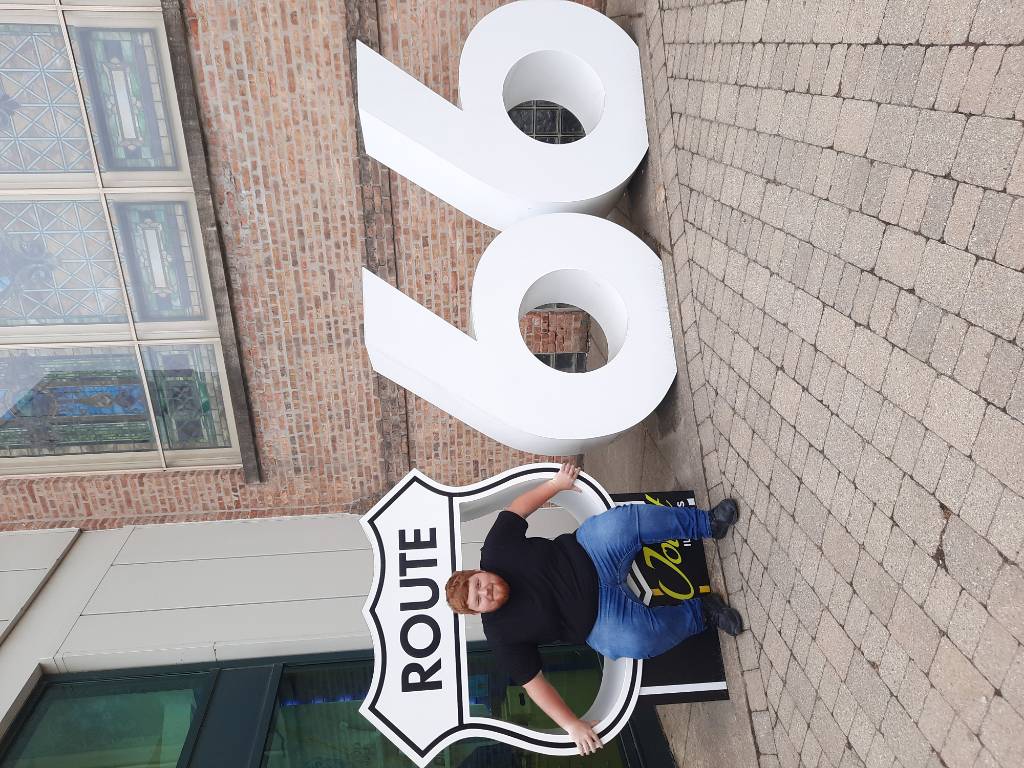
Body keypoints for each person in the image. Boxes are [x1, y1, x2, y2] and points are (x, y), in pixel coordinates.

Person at [444, 462, 744, 756]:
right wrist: (571, 725)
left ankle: (707, 524)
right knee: (636, 641)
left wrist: (555, 485)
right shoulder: (500, 634)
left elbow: (517, 509)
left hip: (590, 552)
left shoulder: (495, 549)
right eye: (478, 600)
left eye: (478, 584)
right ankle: (704, 612)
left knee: (623, 523)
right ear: (478, 612)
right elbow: (533, 684)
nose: (485, 592)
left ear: (478, 572)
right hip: (598, 620)